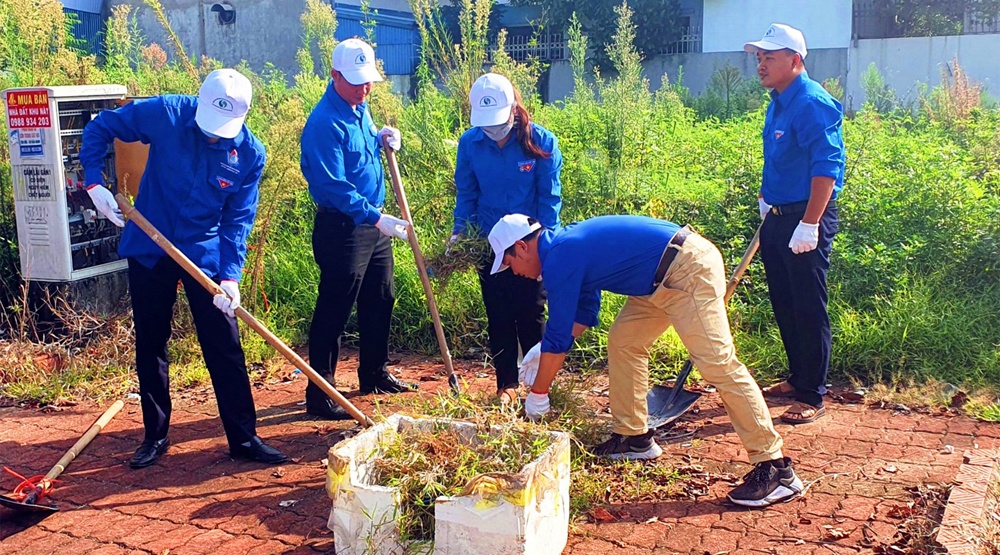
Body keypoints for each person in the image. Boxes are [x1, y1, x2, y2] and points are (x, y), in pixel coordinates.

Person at [491, 214, 803, 507]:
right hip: (658, 281)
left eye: (510, 261)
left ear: (521, 246)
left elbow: (559, 334)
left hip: (686, 269)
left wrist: (539, 394)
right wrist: (543, 348)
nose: (514, 271)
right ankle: (634, 438)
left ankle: (775, 468)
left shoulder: (560, 253)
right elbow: (585, 312)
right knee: (625, 341)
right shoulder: (564, 249)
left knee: (718, 364)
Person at [80, 69, 287, 468]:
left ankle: (243, 438)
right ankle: (155, 436)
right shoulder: (168, 113)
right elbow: (101, 126)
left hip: (203, 254)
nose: (214, 136)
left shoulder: (249, 154)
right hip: (149, 242)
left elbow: (237, 220)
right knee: (151, 342)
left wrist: (230, 276)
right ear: (200, 103)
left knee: (224, 343)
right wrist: (95, 183)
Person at [300, 38, 417, 420]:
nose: (365, 88)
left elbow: (363, 152)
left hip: (373, 223)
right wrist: (375, 218)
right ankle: (320, 393)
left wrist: (380, 137)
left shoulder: (359, 109)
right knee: (335, 306)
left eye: (368, 81)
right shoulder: (323, 123)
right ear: (334, 76)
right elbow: (334, 185)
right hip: (345, 227)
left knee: (380, 296)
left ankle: (374, 373)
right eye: (356, 82)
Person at [744, 24, 845, 424]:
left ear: (795, 60)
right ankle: (797, 376)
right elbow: (782, 160)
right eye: (759, 57)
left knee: (807, 303)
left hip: (806, 217)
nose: (761, 64)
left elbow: (826, 168)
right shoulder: (778, 101)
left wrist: (810, 223)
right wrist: (767, 199)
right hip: (777, 216)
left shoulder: (812, 102)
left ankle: (813, 394)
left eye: (769, 57)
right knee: (784, 301)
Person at [452, 73, 562, 403]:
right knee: (498, 314)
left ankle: (539, 387)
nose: (494, 131)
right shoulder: (470, 144)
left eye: (498, 122)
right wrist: (460, 232)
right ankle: (507, 386)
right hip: (490, 243)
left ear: (514, 110)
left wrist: (547, 247)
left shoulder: (540, 142)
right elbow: (467, 193)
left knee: (531, 313)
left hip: (529, 246)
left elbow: (549, 198)